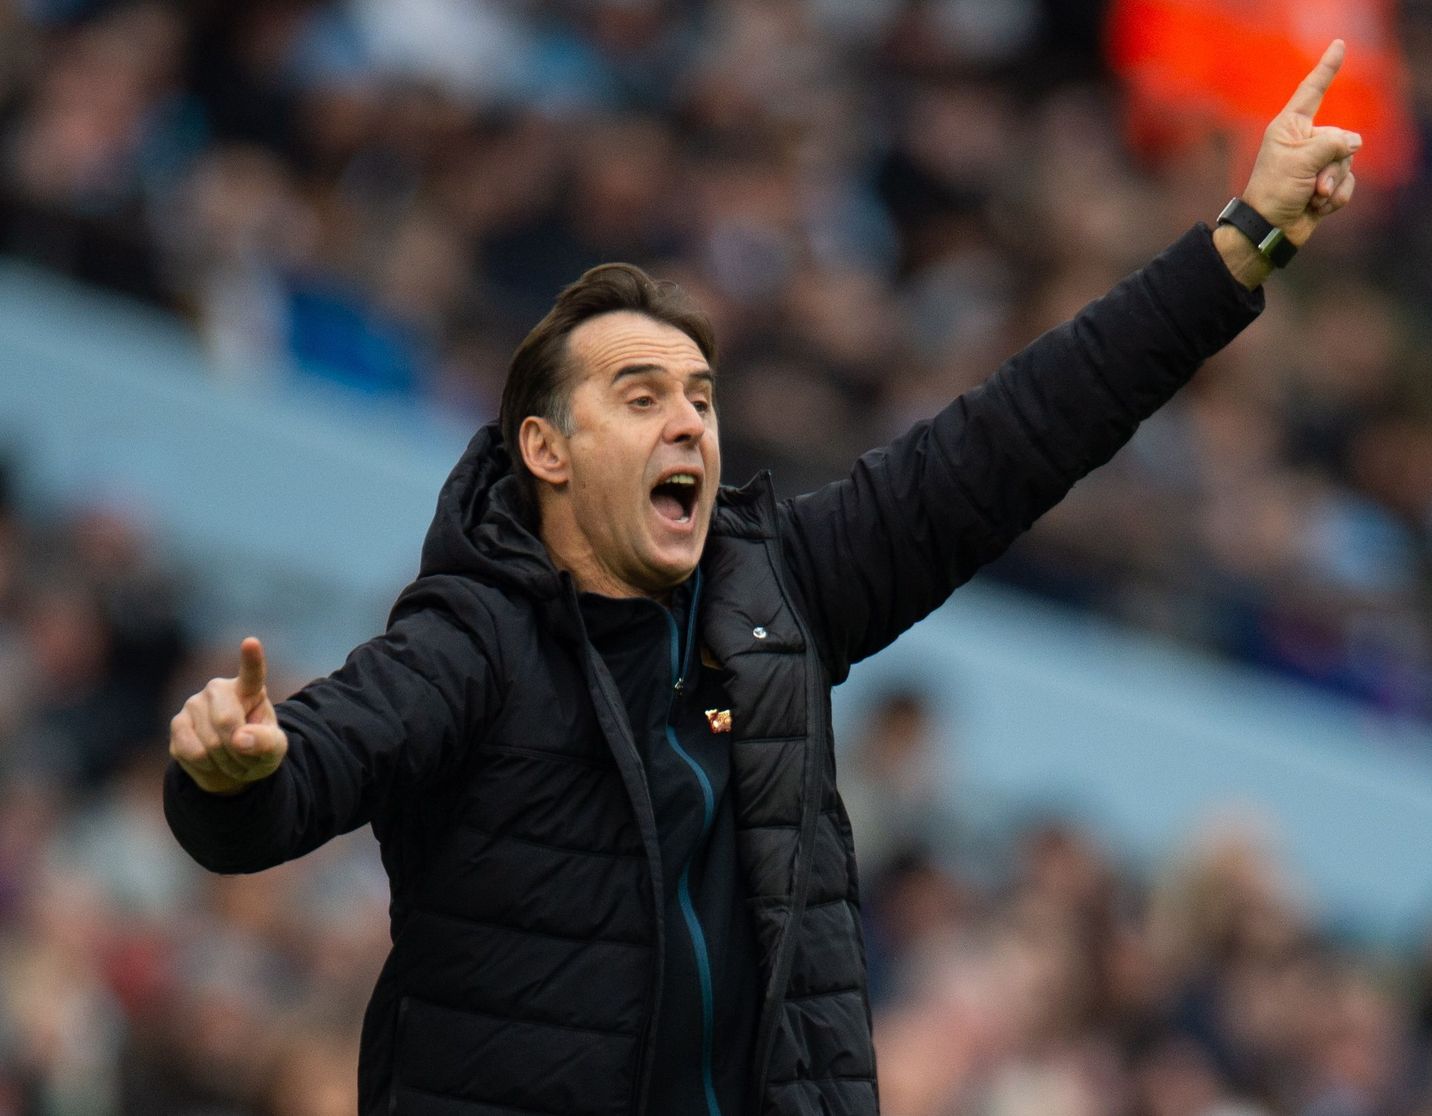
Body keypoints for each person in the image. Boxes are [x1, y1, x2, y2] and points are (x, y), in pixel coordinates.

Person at [164, 42, 1362, 1116]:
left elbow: (1014, 435)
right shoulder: (471, 640)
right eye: (640, 398)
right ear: (547, 451)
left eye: (700, 398)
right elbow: (299, 771)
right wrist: (230, 776)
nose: (688, 424)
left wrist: (1235, 248)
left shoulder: (776, 597)